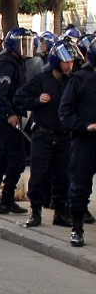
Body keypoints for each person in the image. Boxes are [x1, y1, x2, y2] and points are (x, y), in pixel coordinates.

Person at [15, 41, 76, 228]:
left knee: (63, 175)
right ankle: (36, 211)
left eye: (72, 61)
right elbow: (19, 98)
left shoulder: (72, 82)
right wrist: (36, 100)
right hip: (43, 134)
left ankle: (60, 211)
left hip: (64, 135)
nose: (69, 65)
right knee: (39, 175)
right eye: (66, 61)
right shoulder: (42, 80)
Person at [0, 27, 32, 215]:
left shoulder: (18, 63)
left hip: (11, 117)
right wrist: (10, 113)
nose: (26, 48)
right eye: (23, 44)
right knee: (8, 160)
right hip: (4, 119)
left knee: (8, 161)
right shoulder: (6, 63)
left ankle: (3, 199)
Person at [59, 39, 96, 247]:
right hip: (85, 141)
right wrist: (85, 125)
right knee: (80, 187)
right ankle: (77, 228)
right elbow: (65, 112)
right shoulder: (80, 80)